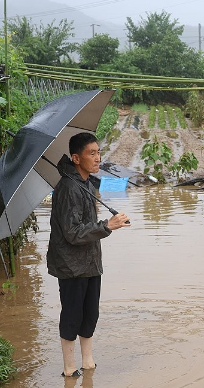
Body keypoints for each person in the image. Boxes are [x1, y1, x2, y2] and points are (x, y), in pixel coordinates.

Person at [46, 132, 130, 377]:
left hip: (90, 262)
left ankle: (88, 362)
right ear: (75, 158)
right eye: (91, 153)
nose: (97, 158)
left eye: (98, 152)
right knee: (72, 314)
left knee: (90, 313)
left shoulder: (86, 185)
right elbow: (72, 233)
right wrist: (106, 226)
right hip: (71, 266)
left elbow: (86, 228)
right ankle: (69, 367)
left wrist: (109, 223)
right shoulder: (68, 189)